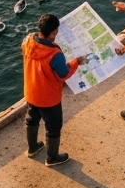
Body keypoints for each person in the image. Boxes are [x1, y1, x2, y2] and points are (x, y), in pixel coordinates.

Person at [21, 13, 86, 166]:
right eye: (55, 32)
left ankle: (32, 148)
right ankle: (52, 158)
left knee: (32, 120)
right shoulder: (54, 54)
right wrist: (76, 62)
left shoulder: (28, 40)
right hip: (48, 98)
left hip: (31, 92)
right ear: (52, 32)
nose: (56, 34)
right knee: (53, 127)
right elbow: (63, 74)